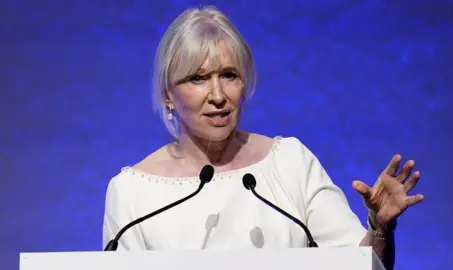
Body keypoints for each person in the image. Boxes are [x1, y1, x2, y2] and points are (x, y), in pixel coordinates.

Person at [102, 6, 424, 270]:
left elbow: (361, 266)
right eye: (198, 78)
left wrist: (380, 228)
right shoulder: (133, 193)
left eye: (229, 75)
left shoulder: (290, 163)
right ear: (168, 94)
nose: (217, 95)